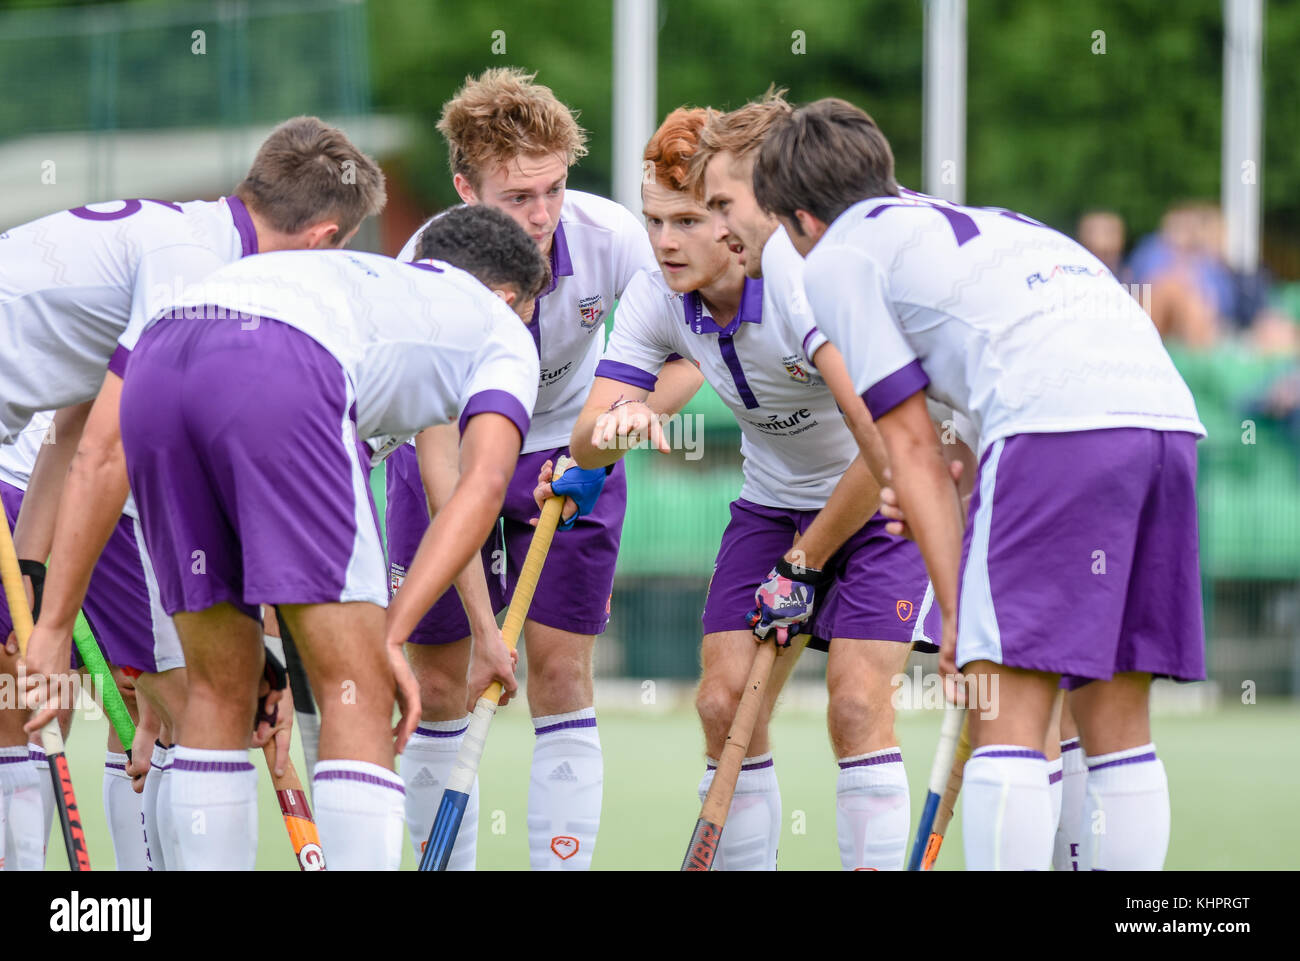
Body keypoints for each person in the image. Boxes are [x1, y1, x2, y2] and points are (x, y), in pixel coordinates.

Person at [754, 97, 1206, 870]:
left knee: (1005, 709)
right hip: (1165, 422)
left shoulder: (834, 258)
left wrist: (961, 615)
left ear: (799, 220)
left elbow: (912, 449)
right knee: (1117, 719)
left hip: (1056, 428)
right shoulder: (972, 223)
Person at [30, 205, 548, 870]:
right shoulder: (504, 327)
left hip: (157, 362)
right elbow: (481, 486)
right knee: (358, 689)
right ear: (508, 295)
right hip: (281, 363)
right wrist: (391, 634)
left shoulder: (365, 283)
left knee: (220, 689)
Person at [6, 116, 386, 869]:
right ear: (323, 243)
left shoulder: (190, 238)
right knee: (171, 695)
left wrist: (33, 576)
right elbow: (107, 451)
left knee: (23, 706)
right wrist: (51, 630)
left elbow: (77, 421)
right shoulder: (197, 273)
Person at [567, 100, 928, 870]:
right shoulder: (655, 296)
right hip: (771, 500)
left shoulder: (798, 281)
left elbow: (885, 444)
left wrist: (805, 562)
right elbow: (585, 439)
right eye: (653, 219)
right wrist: (618, 425)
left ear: (736, 216)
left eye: (691, 218)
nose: (665, 241)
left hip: (878, 498)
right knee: (722, 700)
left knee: (857, 703)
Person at [384, 67, 700, 870]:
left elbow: (695, 344)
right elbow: (442, 463)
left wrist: (636, 416)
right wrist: (488, 631)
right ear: (464, 186)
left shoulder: (615, 236)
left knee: (562, 673)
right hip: (459, 457)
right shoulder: (434, 261)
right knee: (446, 681)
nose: (541, 215)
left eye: (553, 189)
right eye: (518, 196)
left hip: (572, 450)